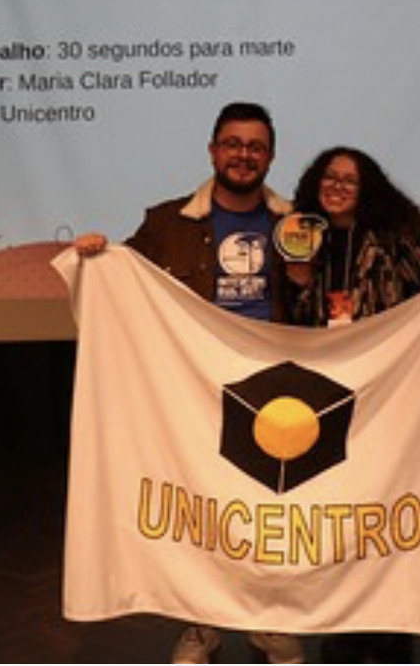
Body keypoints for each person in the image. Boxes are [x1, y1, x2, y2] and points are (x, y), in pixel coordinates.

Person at [73, 101, 303, 665]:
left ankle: (268, 620)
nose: (243, 155)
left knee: (270, 508)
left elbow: (342, 285)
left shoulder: (297, 224)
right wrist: (93, 261)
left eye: (255, 146)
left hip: (276, 386)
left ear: (271, 156)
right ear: (213, 151)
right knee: (204, 508)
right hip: (194, 386)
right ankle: (203, 623)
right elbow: (122, 288)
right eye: (233, 144)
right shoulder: (166, 222)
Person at [282, 145, 420, 662]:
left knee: (382, 518)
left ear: (366, 190)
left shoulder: (393, 244)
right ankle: (343, 629)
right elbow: (288, 328)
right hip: (325, 402)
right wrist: (300, 281)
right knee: (340, 521)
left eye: (349, 180)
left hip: (387, 402)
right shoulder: (301, 240)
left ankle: (390, 634)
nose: (337, 186)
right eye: (329, 177)